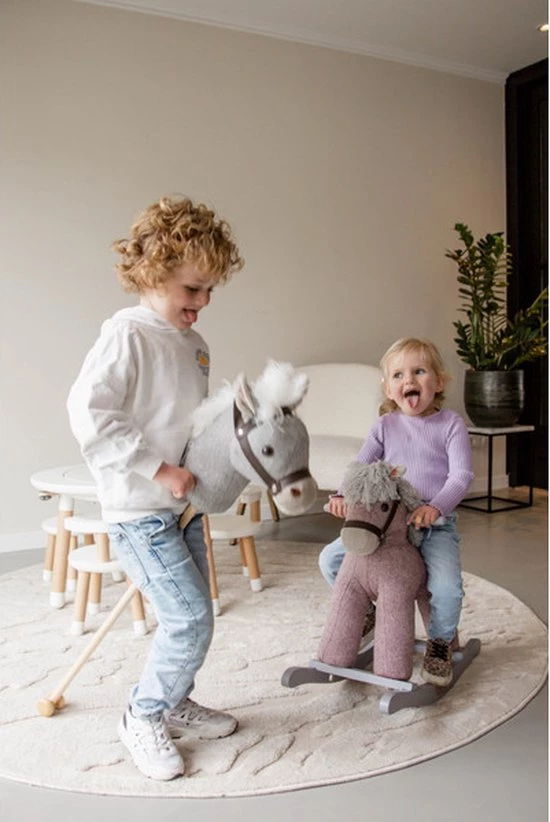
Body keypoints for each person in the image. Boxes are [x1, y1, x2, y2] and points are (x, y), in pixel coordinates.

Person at [67, 195, 244, 781]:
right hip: (139, 509)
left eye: (210, 290)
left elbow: (187, 425)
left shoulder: (196, 346)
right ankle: (141, 714)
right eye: (192, 289)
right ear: (152, 273)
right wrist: (158, 469)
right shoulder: (128, 335)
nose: (203, 302)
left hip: (181, 509)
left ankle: (173, 701)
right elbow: (92, 414)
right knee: (188, 617)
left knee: (195, 615)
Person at [319, 337, 474, 687]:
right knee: (331, 561)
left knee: (447, 587)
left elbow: (461, 475)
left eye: (419, 372)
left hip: (434, 526)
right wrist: (342, 494)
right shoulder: (385, 426)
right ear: (389, 388)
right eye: (399, 375)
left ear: (439, 382)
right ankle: (369, 613)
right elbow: (360, 467)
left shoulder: (450, 424)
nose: (409, 380)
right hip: (387, 529)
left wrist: (435, 507)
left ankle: (440, 643)